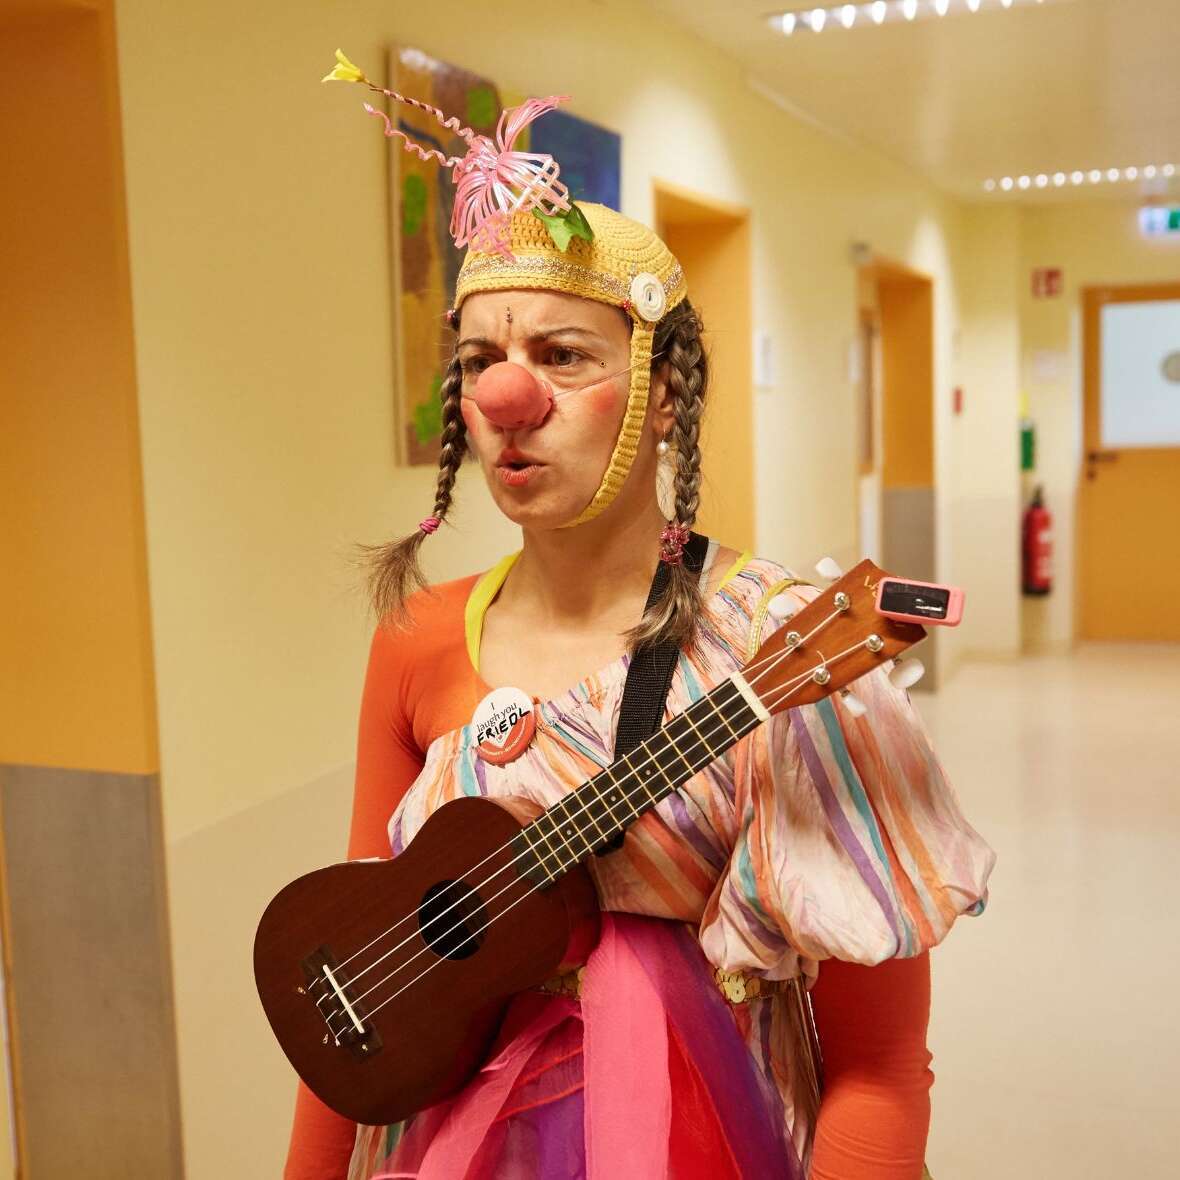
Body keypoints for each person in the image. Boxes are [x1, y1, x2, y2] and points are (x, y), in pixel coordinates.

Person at [284, 54, 995, 1180]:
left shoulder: (782, 643)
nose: (511, 401)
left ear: (664, 396)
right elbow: (362, 962)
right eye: (481, 362)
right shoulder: (415, 639)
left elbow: (878, 1065)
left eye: (564, 356)